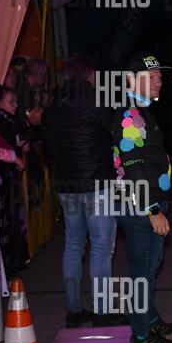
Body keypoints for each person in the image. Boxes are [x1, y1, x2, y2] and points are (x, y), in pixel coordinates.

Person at [42, 54, 125, 328]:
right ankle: (101, 311)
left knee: (73, 246)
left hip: (66, 184)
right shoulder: (98, 101)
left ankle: (74, 310)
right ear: (92, 76)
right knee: (101, 248)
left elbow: (48, 145)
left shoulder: (52, 106)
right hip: (97, 183)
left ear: (66, 76)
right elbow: (118, 135)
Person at [113, 52, 172, 343]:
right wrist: (152, 209)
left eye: (159, 77)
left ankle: (149, 319)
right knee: (141, 273)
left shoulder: (142, 112)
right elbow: (133, 167)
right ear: (130, 80)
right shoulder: (129, 115)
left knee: (150, 268)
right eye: (150, 77)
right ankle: (140, 336)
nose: (157, 82)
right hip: (139, 205)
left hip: (148, 202)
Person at [0, 88, 30, 276]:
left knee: (14, 220)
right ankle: (9, 266)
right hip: (3, 176)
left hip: (9, 175)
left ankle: (15, 262)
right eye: (11, 102)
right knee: (8, 221)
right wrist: (15, 155)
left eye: (16, 101)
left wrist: (21, 144)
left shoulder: (10, 120)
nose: (15, 106)